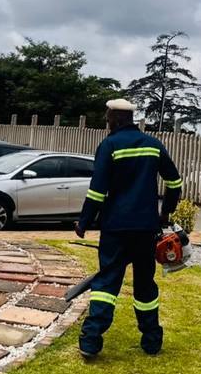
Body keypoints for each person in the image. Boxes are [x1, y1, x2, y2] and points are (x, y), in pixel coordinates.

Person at [74, 98, 183, 358]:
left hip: (115, 229)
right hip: (146, 228)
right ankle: (151, 340)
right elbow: (175, 181)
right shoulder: (154, 145)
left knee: (107, 281)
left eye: (108, 117)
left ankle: (91, 340)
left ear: (118, 118)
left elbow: (97, 192)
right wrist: (164, 214)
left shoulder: (109, 145)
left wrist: (84, 222)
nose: (106, 121)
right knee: (145, 284)